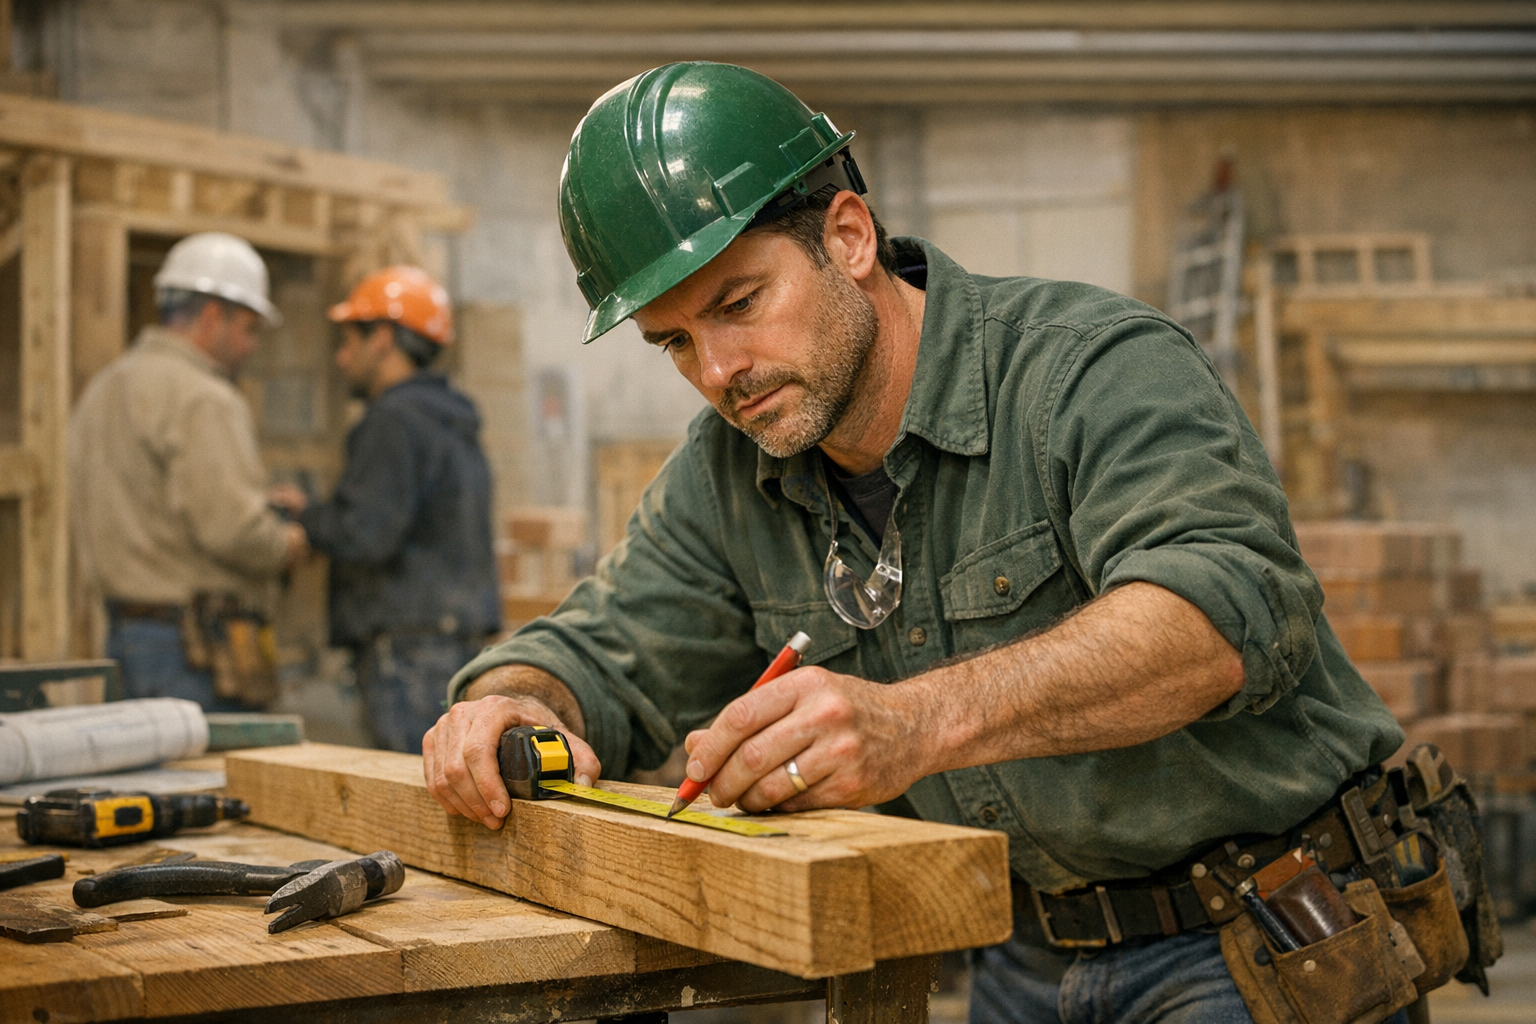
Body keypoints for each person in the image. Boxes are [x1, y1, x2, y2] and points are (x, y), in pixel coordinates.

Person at [424, 64, 1421, 1022]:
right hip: (1029, 949)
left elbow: (1219, 617)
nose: (719, 369)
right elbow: (603, 650)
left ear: (848, 236)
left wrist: (916, 723)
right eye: (674, 341)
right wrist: (513, 696)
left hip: (1256, 931)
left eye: (739, 304)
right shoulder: (727, 474)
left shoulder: (1089, 370)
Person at [70, 231, 307, 711]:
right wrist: (288, 541)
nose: (250, 345)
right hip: (193, 655)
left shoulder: (105, 387)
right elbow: (233, 530)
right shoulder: (203, 396)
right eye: (247, 327)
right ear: (213, 315)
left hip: (127, 640)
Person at [269, 267, 500, 755]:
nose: (340, 357)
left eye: (349, 340)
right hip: (449, 644)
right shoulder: (449, 417)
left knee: (414, 793)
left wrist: (307, 516)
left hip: (406, 653)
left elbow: (366, 534)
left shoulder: (391, 421)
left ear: (383, 338)